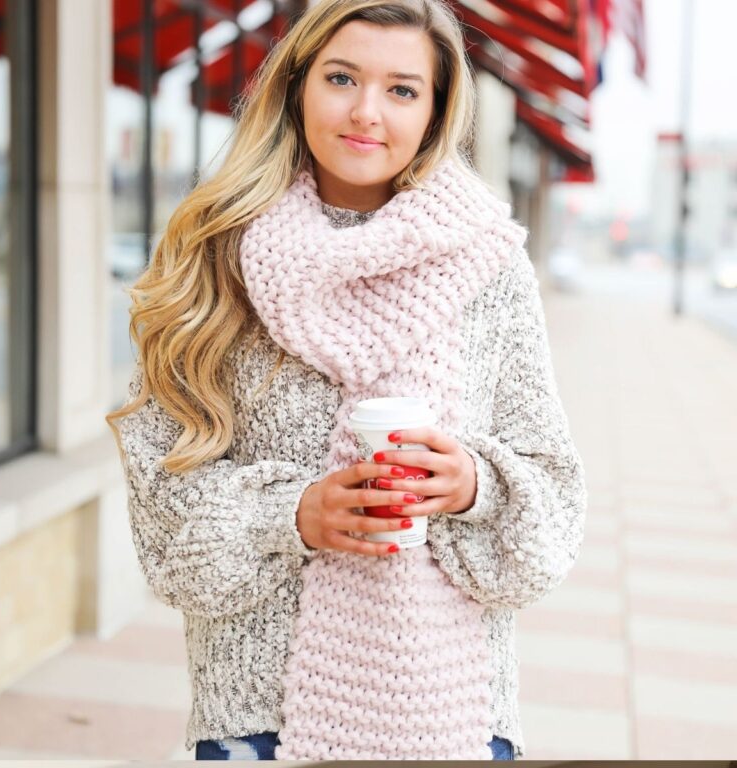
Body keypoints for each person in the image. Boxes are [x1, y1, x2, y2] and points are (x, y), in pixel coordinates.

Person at [106, 0, 587, 761]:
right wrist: (293, 516)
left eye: (402, 89)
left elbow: (554, 505)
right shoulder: (213, 257)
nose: (367, 112)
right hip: (260, 720)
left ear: (434, 112)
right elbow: (161, 517)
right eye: (341, 77)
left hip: (454, 716)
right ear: (297, 86)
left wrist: (470, 484)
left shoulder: (489, 267)